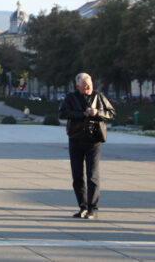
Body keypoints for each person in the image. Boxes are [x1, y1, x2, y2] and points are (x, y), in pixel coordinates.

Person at [59, 73, 115, 220]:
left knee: (92, 176)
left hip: (93, 141)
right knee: (77, 176)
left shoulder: (98, 97)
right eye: (84, 86)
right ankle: (83, 207)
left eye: (90, 85)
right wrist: (82, 114)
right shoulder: (71, 97)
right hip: (76, 139)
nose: (88, 88)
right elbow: (63, 113)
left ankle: (93, 208)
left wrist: (97, 113)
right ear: (77, 86)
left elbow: (111, 113)